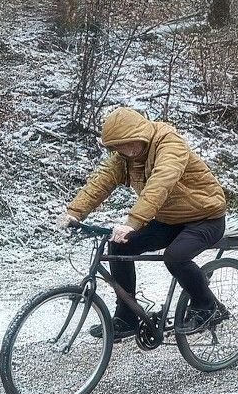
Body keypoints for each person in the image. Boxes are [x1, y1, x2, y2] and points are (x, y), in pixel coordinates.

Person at [57, 106, 229, 340]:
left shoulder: (169, 144)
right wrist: (75, 212)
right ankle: (127, 318)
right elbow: (101, 182)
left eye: (128, 144)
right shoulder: (125, 157)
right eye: (118, 146)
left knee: (175, 256)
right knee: (119, 246)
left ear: (141, 135)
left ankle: (207, 306)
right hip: (169, 220)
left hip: (205, 217)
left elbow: (161, 183)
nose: (124, 151)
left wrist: (133, 222)